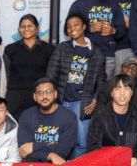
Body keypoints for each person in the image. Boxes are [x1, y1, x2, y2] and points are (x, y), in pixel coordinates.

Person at [45, 12, 107, 158]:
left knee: (82, 144)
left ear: (84, 26)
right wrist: (51, 100)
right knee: (57, 142)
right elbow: (50, 76)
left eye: (76, 24)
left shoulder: (97, 53)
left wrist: (95, 99)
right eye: (68, 26)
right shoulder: (62, 49)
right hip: (61, 103)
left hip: (82, 104)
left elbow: (101, 81)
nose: (72, 28)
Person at [68, 0, 127, 78]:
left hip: (108, 56)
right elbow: (67, 30)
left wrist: (113, 31)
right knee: (85, 90)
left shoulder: (114, 4)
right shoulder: (80, 4)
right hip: (85, 55)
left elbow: (122, 29)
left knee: (103, 91)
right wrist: (89, 29)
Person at [86, 74, 137, 166]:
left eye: (126, 88)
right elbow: (92, 150)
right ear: (112, 93)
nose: (122, 93)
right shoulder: (99, 117)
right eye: (117, 89)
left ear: (131, 92)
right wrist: (120, 158)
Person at [4, 14, 54, 121]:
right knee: (14, 128)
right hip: (14, 97)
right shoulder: (10, 49)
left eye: (30, 26)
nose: (26, 29)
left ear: (37, 28)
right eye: (23, 26)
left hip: (39, 95)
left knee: (38, 126)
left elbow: (52, 75)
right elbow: (5, 74)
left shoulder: (49, 49)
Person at [17, 78, 78, 164]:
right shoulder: (26, 116)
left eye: (49, 92)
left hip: (59, 162)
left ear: (55, 94)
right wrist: (50, 155)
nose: (45, 96)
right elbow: (24, 151)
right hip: (34, 162)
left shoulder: (69, 117)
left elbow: (63, 150)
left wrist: (34, 146)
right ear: (35, 97)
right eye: (40, 93)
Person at [96, 57, 137, 128]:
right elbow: (100, 107)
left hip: (134, 125)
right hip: (110, 123)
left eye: (134, 68)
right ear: (120, 69)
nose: (130, 70)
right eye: (126, 66)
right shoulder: (107, 86)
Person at [109, 0, 137, 77]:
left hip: (130, 47)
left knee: (127, 83)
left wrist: (132, 22)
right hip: (109, 47)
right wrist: (121, 21)